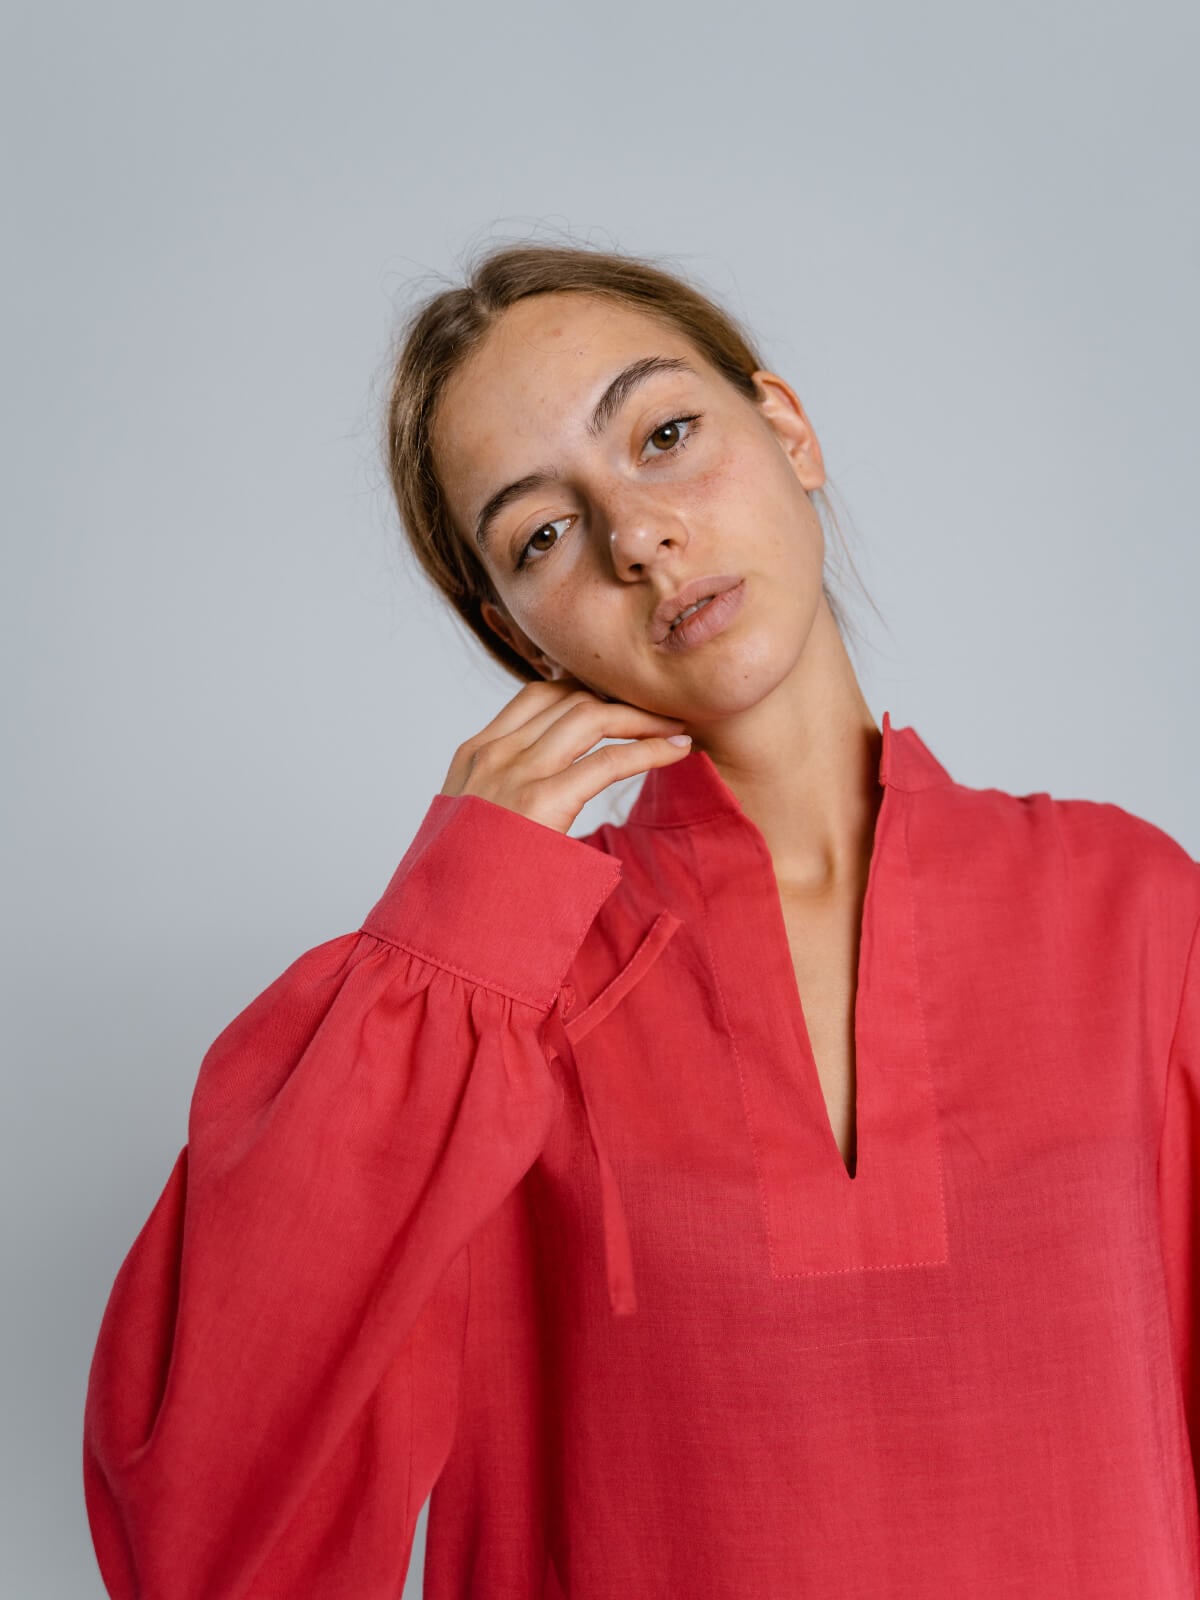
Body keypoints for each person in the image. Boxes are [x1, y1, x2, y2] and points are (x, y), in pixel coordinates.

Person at [83, 240, 1200, 1598]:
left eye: (664, 436)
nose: (636, 537)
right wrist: (449, 928)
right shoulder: (492, 1009)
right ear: (520, 636)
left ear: (788, 430)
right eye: (542, 535)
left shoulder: (1134, 914)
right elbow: (201, 1526)